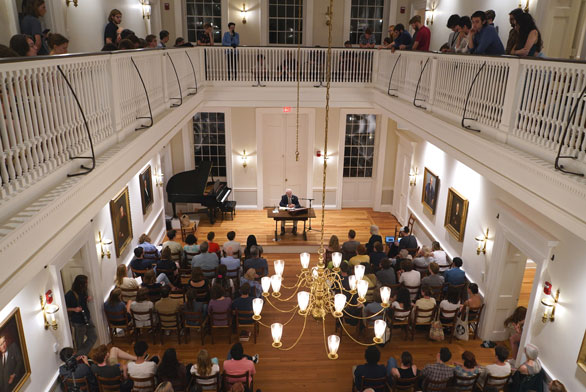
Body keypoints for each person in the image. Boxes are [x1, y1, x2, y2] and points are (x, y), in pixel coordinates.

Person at [65, 275, 97, 356]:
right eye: (86, 283)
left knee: (93, 336)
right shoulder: (69, 294)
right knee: (79, 343)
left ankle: (81, 355)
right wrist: (74, 309)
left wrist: (87, 299)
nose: (87, 284)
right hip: (78, 322)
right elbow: (64, 308)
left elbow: (82, 300)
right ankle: (80, 357)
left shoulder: (83, 290)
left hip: (87, 318)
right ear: (80, 284)